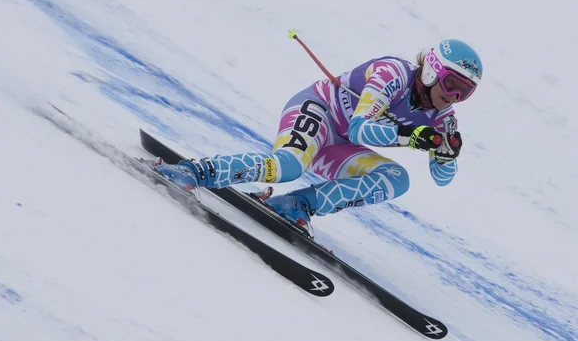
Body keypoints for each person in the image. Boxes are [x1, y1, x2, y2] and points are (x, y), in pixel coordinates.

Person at [151, 39, 483, 232]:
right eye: (452, 84)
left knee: (396, 178)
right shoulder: (393, 73)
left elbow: (442, 179)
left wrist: (445, 153)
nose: (454, 96)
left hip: (340, 146)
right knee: (288, 167)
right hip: (318, 111)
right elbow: (360, 126)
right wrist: (408, 136)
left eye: (465, 92)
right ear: (430, 71)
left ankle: (297, 204)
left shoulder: (444, 118)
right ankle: (192, 171)